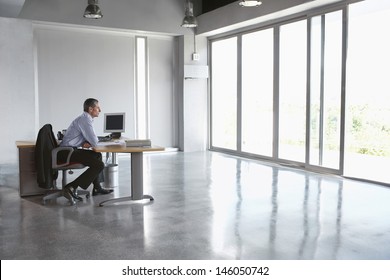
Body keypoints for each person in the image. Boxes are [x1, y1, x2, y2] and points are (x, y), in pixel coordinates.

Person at [60, 98, 113, 203]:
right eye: (97, 107)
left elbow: (90, 141)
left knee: (97, 155)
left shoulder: (84, 119)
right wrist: (94, 142)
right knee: (99, 165)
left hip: (69, 150)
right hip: (67, 152)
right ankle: (70, 186)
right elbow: (94, 141)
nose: (100, 110)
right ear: (90, 109)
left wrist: (86, 142)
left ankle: (97, 188)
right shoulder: (85, 120)